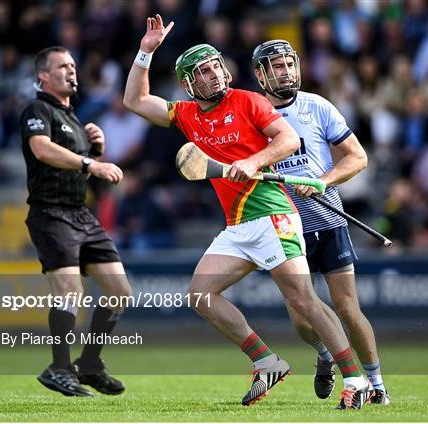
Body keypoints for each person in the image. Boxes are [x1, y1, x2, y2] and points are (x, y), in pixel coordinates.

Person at [124, 15, 371, 409]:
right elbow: (134, 101)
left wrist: (255, 161)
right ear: (189, 83)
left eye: (216, 67)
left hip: (274, 214)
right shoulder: (187, 114)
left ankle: (355, 380)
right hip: (239, 225)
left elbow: (287, 140)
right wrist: (145, 53)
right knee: (200, 296)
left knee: (304, 301)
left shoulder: (248, 100)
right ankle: (266, 360)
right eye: (203, 72)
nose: (214, 75)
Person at [251, 39, 390, 405]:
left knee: (347, 308)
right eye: (277, 66)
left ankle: (376, 383)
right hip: (284, 227)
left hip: (329, 221)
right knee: (300, 317)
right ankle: (326, 354)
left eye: (289, 64)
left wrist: (322, 182)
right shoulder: (251, 114)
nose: (286, 71)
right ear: (261, 75)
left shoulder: (317, 106)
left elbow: (357, 158)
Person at [20, 46, 131, 397]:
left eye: (73, 64)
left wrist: (93, 152)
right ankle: (59, 367)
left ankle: (89, 364)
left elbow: (75, 173)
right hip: (50, 212)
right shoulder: (37, 109)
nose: (72, 70)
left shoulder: (75, 120)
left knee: (119, 292)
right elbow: (41, 149)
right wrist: (91, 163)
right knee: (70, 291)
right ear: (44, 76)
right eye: (62, 66)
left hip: (80, 213)